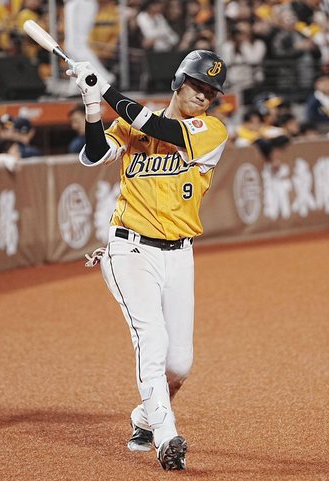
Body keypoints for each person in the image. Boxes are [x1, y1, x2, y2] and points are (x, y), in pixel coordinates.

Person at [68, 50, 228, 471]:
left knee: (179, 364)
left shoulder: (210, 131)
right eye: (197, 85)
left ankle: (143, 416)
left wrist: (103, 87)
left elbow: (156, 127)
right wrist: (91, 105)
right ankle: (165, 437)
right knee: (152, 340)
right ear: (178, 82)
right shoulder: (130, 124)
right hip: (130, 249)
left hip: (180, 254)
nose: (204, 95)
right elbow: (94, 154)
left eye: (211, 91)